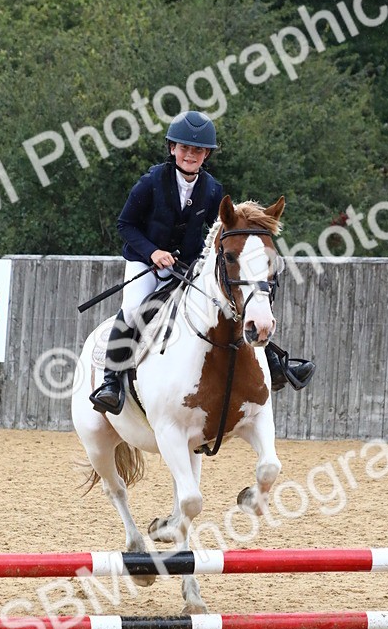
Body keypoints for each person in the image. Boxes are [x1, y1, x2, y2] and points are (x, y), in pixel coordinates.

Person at [89, 110, 315, 414]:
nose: (190, 155)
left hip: (188, 266)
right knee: (131, 309)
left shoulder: (212, 190)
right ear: (172, 149)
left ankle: (274, 362)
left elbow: (218, 235)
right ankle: (111, 383)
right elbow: (125, 225)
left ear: (206, 154)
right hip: (146, 263)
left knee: (232, 304)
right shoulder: (152, 180)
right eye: (184, 148)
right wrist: (153, 252)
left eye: (197, 150)